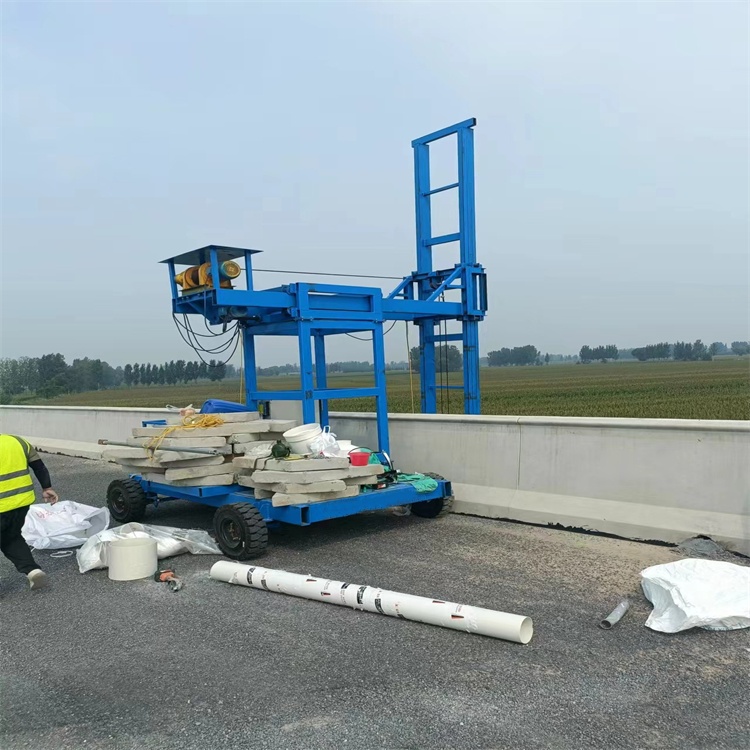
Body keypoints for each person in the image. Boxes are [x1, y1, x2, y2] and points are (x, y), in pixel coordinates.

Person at [0, 434, 59, 589]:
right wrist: (47, 487)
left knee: (10, 538)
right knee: (11, 538)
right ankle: (32, 570)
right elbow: (39, 467)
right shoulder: (17, 441)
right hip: (20, 503)